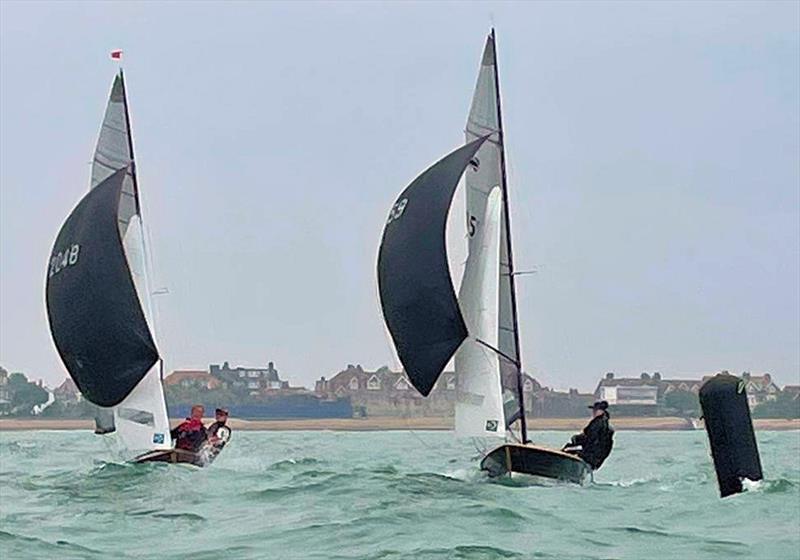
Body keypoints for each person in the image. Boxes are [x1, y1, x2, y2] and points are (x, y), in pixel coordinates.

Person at [564, 400, 614, 470]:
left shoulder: (598, 424)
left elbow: (590, 440)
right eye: (594, 410)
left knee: (567, 449)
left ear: (602, 411)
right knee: (570, 446)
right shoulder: (604, 424)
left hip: (590, 456)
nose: (593, 412)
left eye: (596, 410)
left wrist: (576, 441)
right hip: (596, 459)